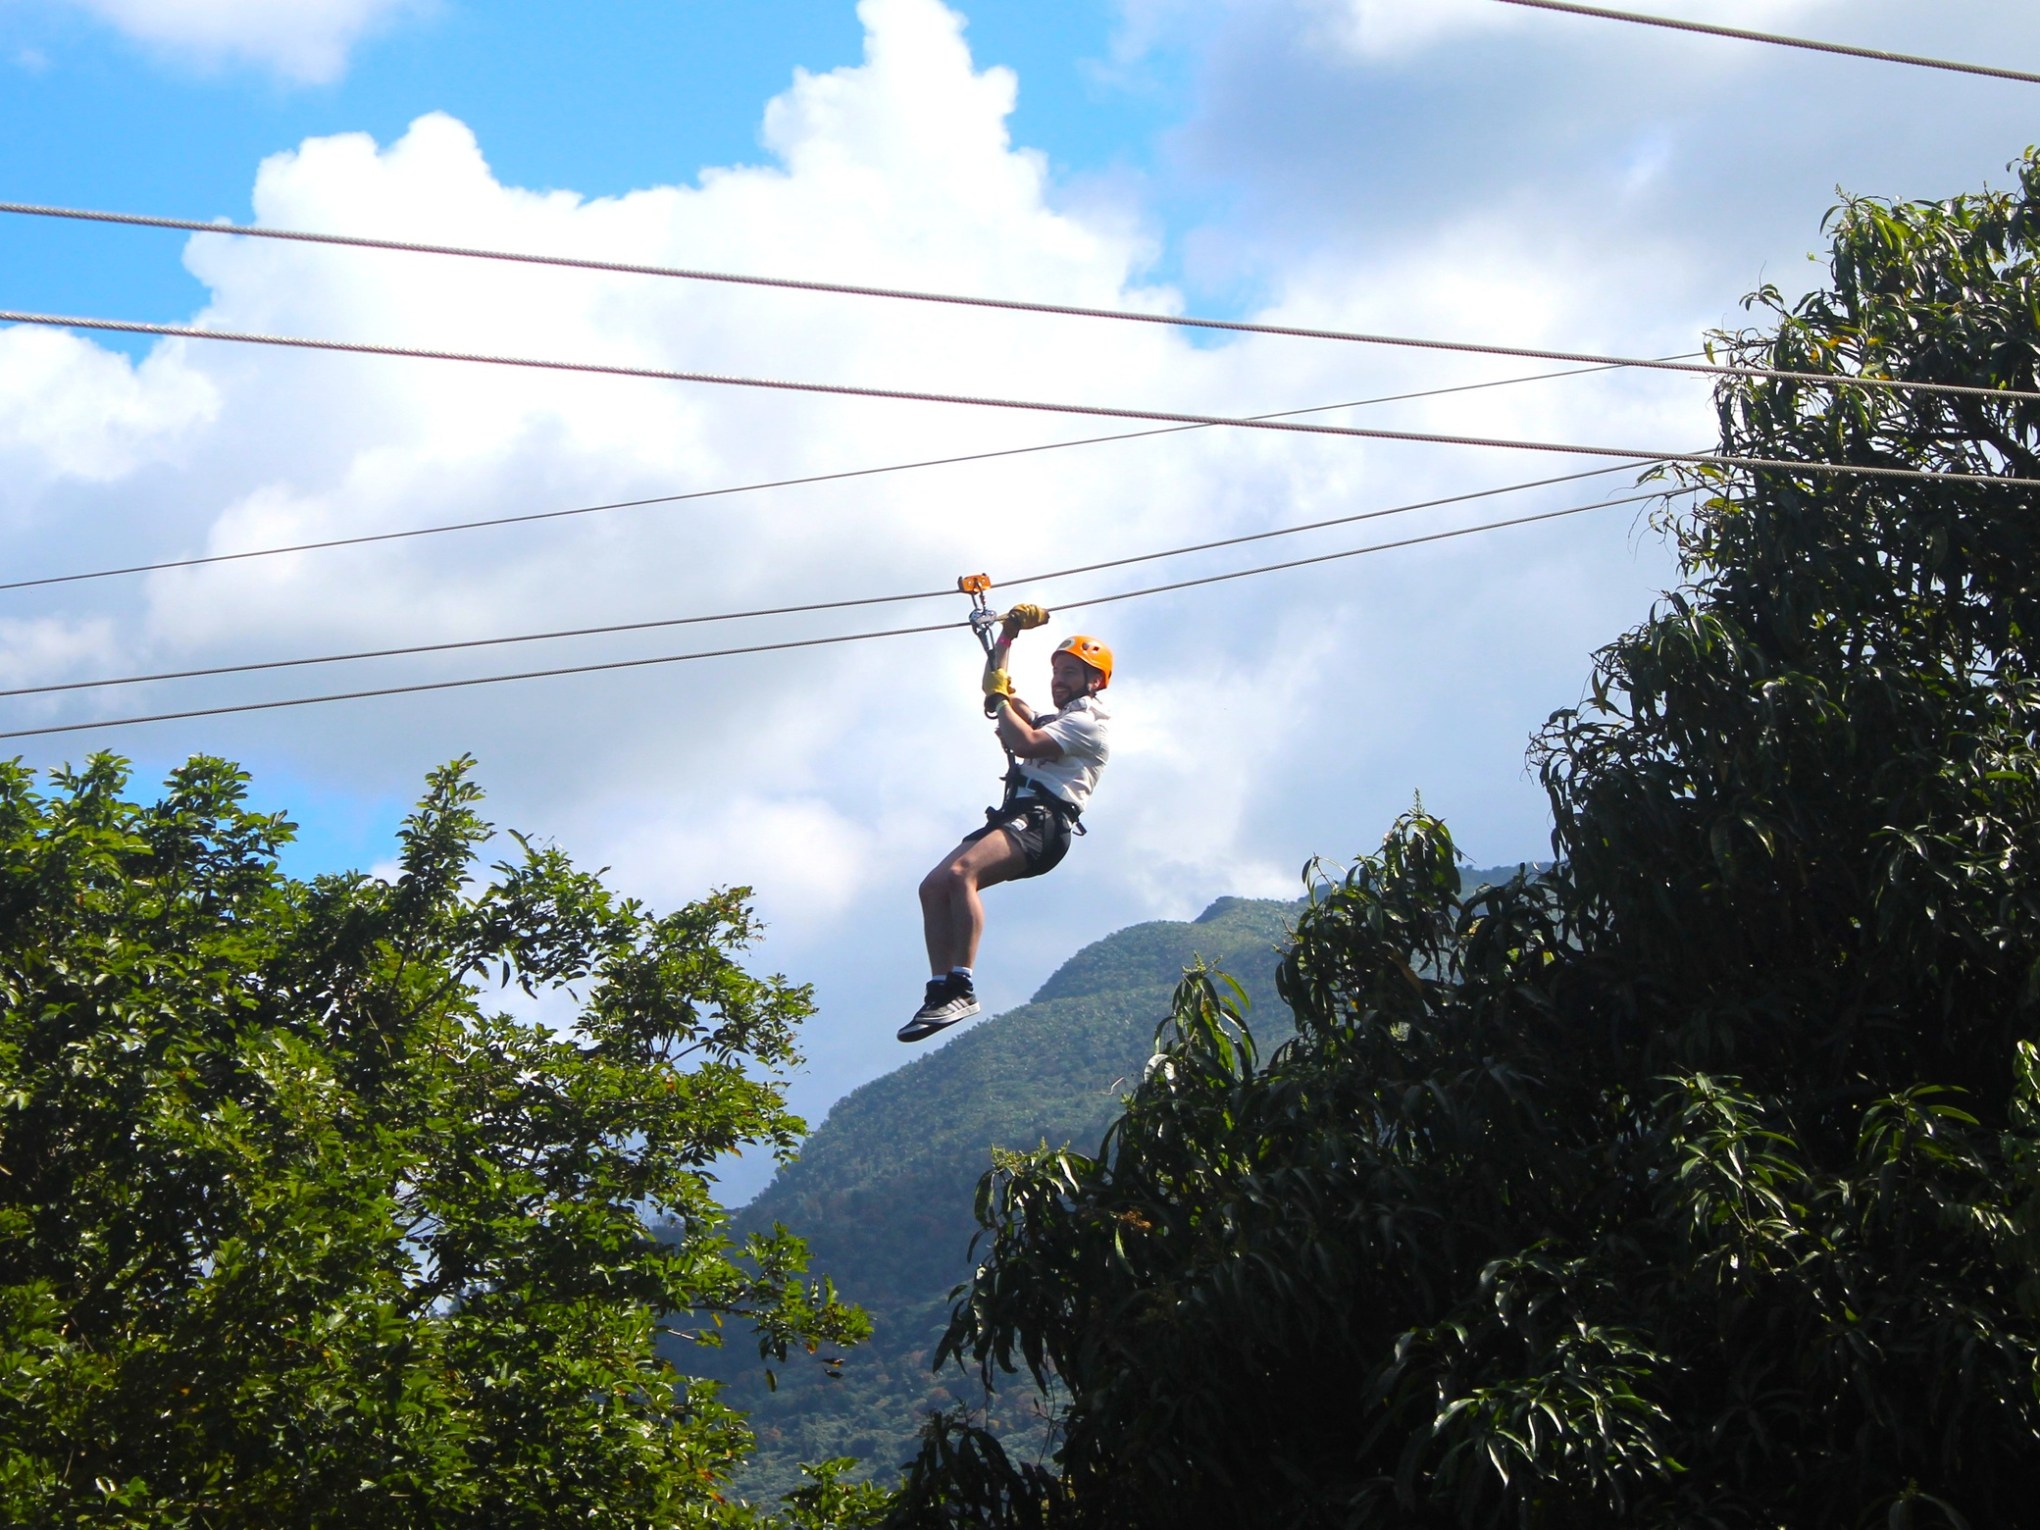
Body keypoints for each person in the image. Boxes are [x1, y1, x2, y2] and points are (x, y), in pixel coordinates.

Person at [902, 614, 1113, 1043]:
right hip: (1018, 816)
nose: (1058, 679)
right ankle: (941, 989)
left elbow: (1024, 743)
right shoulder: (1055, 718)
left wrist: (1002, 704)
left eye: (1069, 672)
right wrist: (1006, 638)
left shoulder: (1088, 723)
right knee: (933, 886)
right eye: (1056, 671)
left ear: (1095, 681)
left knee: (963, 874)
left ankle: (961, 984)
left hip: (1044, 824)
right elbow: (996, 689)